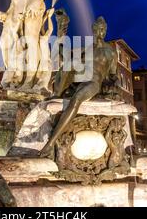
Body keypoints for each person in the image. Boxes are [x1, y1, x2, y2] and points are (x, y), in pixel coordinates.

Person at [40, 17, 118, 157]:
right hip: (79, 80)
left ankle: (50, 143)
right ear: (93, 29)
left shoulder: (110, 51)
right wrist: (61, 30)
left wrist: (111, 86)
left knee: (76, 99)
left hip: (94, 83)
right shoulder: (86, 49)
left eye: (103, 29)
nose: (101, 31)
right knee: (67, 65)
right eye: (98, 29)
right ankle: (58, 93)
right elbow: (63, 53)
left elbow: (113, 76)